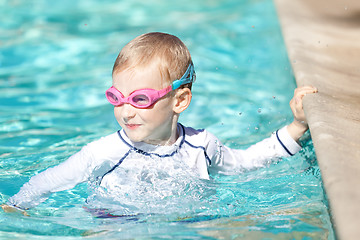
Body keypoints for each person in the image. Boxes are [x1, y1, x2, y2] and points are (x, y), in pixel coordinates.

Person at [1, 32, 317, 216]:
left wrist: (297, 127)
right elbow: (53, 180)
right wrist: (13, 208)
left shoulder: (201, 144)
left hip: (190, 223)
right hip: (116, 223)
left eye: (139, 100)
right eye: (116, 97)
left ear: (179, 101)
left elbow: (245, 164)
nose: (125, 111)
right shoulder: (106, 151)